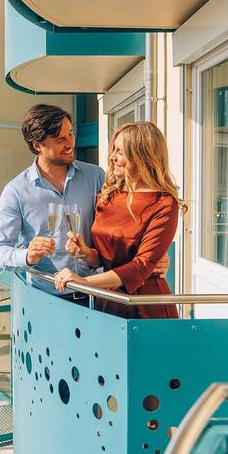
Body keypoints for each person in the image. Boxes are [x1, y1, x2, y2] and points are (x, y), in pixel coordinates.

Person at [0, 104, 168, 299]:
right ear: (37, 145)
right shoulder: (15, 191)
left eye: (71, 134)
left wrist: (155, 253)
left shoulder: (96, 176)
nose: (70, 144)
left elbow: (131, 217)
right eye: (60, 140)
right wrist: (27, 256)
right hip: (48, 298)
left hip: (98, 295)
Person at [53, 121, 186, 318]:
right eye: (114, 150)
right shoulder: (109, 195)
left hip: (143, 306)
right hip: (107, 301)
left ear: (142, 157)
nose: (113, 157)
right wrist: (86, 253)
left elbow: (141, 266)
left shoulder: (163, 203)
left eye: (120, 152)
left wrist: (85, 282)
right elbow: (109, 258)